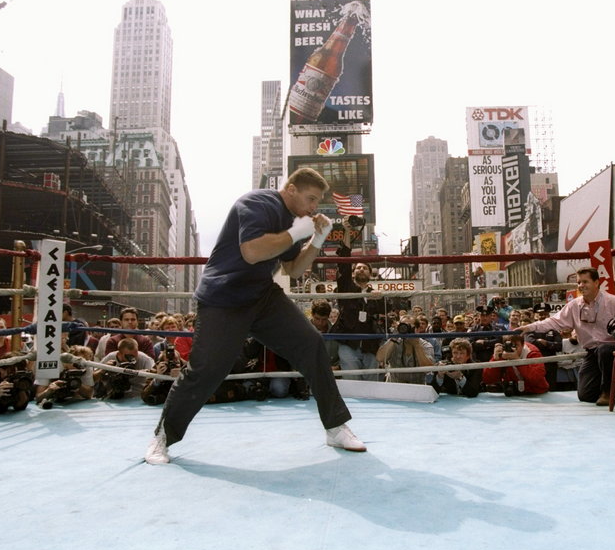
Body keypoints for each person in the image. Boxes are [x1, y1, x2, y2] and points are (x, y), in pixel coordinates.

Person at [145, 168, 365, 464]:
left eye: (317, 202)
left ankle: (336, 427)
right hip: (223, 299)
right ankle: (162, 438)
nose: (314, 208)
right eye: (310, 199)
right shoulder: (256, 203)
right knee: (205, 370)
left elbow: (294, 270)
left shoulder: (294, 222)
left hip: (262, 296)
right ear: (290, 189)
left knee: (311, 343)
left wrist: (316, 240)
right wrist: (296, 233)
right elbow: (251, 252)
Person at [516, 267, 615, 405]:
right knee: (585, 395)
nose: (581, 286)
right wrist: (529, 327)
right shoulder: (574, 306)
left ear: (596, 283)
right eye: (579, 283)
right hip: (592, 351)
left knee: (604, 350)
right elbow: (554, 321)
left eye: (585, 282)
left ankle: (608, 392)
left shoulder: (613, 301)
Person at [330, 217, 383, 381]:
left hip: (371, 346)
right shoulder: (346, 287)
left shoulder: (377, 296)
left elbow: (385, 320)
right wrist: (347, 232)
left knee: (372, 384)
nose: (360, 269)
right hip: (348, 344)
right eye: (357, 267)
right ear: (353, 273)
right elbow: (344, 261)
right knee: (353, 383)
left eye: (364, 268)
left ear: (370, 274)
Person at [481, 334, 548, 396]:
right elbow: (487, 380)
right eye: (509, 345)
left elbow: (536, 378)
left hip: (535, 393)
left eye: (515, 345)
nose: (512, 349)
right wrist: (495, 361)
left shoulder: (532, 353)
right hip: (512, 393)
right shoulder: (503, 353)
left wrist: (518, 362)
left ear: (523, 345)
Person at [375, 315, 434, 384]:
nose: (406, 330)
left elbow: (428, 369)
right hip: (395, 385)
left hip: (416, 387)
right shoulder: (394, 342)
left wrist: (417, 346)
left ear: (417, 329)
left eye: (410, 327)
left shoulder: (425, 345)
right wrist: (394, 338)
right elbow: (380, 358)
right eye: (403, 326)